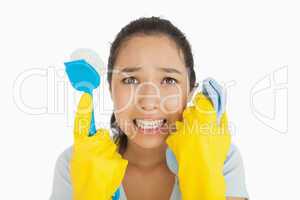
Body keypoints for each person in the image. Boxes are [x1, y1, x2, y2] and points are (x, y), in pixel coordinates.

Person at [50, 16, 249, 200]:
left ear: (190, 91)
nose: (149, 101)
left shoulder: (220, 159)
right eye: (131, 80)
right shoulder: (76, 165)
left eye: (169, 80)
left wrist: (202, 178)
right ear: (110, 89)